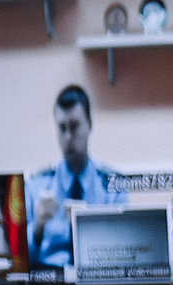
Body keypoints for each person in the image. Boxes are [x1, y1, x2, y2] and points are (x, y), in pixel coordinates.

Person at [26, 85, 127, 273]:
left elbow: (125, 252)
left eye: (74, 126)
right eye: (62, 128)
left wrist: (87, 226)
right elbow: (20, 262)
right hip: (48, 279)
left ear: (90, 125)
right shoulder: (37, 185)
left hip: (97, 279)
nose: (68, 137)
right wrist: (38, 227)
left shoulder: (113, 186)